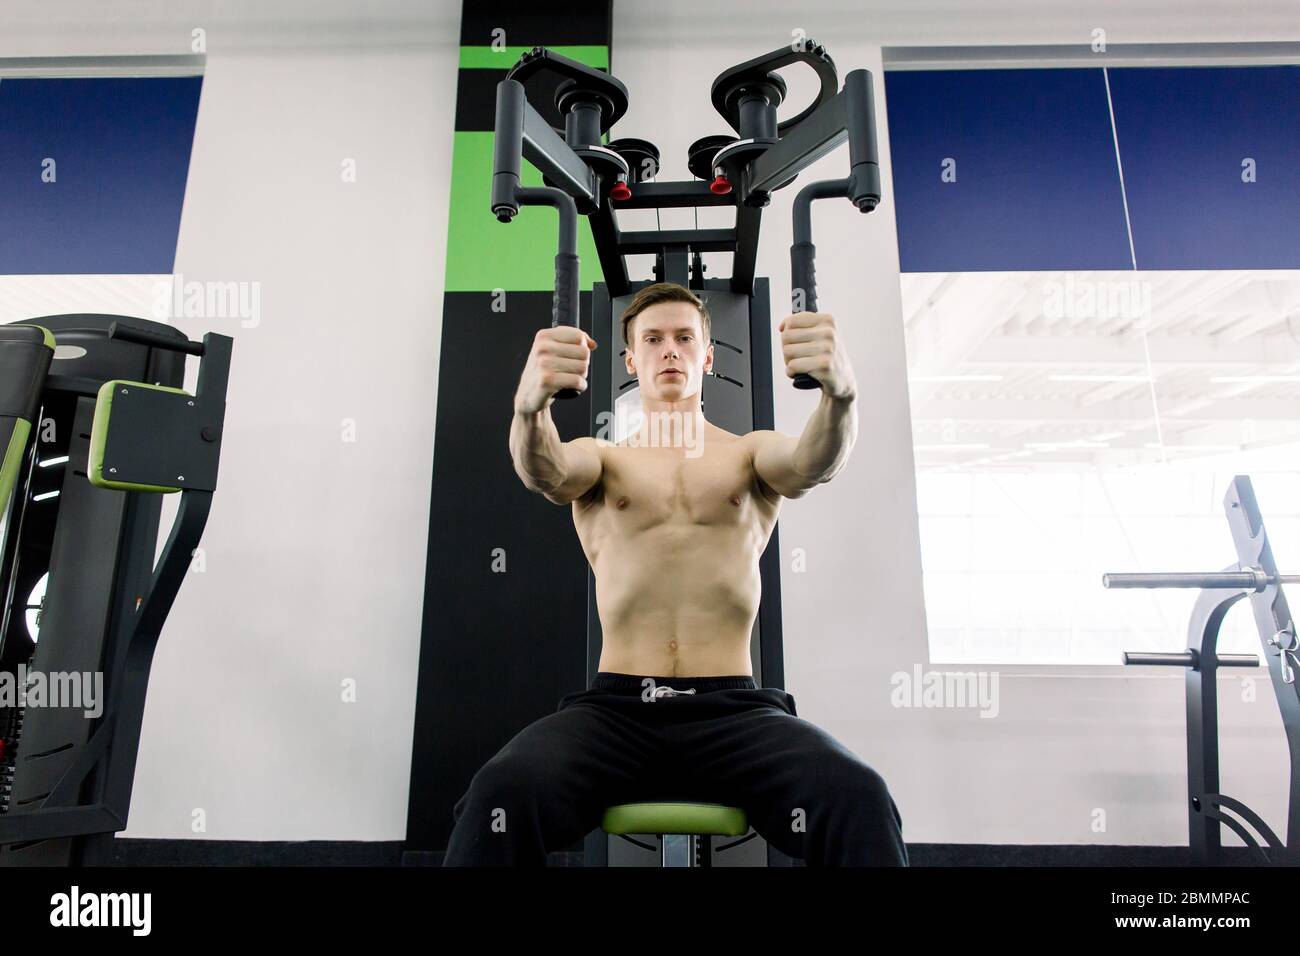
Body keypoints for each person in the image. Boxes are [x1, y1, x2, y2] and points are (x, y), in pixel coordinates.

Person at [442, 281, 907, 866]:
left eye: (685, 338)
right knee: (496, 799)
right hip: (617, 714)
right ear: (630, 359)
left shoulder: (749, 453)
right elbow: (545, 469)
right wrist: (529, 407)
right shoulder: (604, 458)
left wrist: (841, 397)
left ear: (707, 357)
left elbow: (814, 462)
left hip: (734, 715)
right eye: (653, 339)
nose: (670, 350)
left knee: (859, 797)